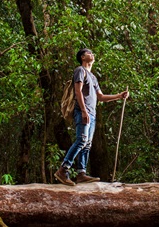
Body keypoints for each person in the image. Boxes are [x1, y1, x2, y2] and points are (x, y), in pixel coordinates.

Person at [54, 48, 129, 186]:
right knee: (82, 140)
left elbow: (100, 96)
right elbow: (78, 91)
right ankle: (63, 169)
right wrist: (83, 111)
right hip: (83, 111)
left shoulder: (93, 77)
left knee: (87, 144)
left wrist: (119, 96)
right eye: (89, 52)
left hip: (92, 113)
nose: (92, 54)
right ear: (83, 57)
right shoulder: (80, 71)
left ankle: (81, 173)